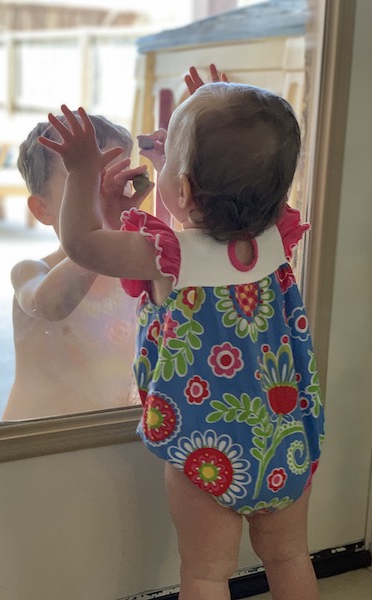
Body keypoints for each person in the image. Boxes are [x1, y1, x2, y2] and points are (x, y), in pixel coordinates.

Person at [39, 66, 325, 600]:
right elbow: (243, 176)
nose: (158, 156)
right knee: (288, 556)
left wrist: (80, 174)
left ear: (185, 187)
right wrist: (213, 122)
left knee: (206, 574)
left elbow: (81, 244)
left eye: (167, 155)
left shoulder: (166, 256)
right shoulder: (275, 235)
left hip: (206, 449)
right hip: (286, 438)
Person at [3, 113, 153, 420]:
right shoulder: (31, 271)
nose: (104, 192)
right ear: (42, 209)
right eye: (84, 179)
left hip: (99, 440)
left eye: (115, 179)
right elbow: (51, 304)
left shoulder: (132, 270)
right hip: (36, 444)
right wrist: (103, 234)